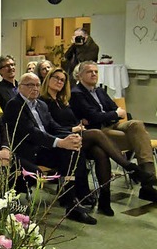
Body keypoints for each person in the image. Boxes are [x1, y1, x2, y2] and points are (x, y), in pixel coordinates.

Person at [40, 68, 154, 216]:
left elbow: (84, 117)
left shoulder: (62, 101)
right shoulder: (43, 101)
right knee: (96, 133)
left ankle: (104, 199)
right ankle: (130, 167)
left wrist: (78, 124)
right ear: (48, 79)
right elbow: (50, 125)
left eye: (62, 80)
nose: (59, 82)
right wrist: (73, 127)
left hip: (76, 133)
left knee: (100, 152)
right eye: (56, 78)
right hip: (62, 138)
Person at [3, 73, 97, 225]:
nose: (35, 88)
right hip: (28, 151)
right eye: (30, 85)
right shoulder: (14, 105)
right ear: (20, 87)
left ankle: (71, 200)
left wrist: (70, 137)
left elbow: (53, 126)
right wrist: (60, 142)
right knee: (68, 151)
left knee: (73, 150)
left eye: (37, 85)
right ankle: (71, 199)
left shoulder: (41, 104)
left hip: (45, 148)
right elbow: (31, 133)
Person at [70, 61, 157, 202]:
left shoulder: (99, 91)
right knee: (142, 139)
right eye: (89, 71)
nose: (94, 74)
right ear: (79, 76)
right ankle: (148, 183)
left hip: (112, 125)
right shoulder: (77, 93)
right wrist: (113, 114)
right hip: (98, 132)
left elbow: (118, 111)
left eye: (96, 71)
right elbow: (95, 117)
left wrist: (112, 114)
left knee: (137, 124)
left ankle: (146, 179)